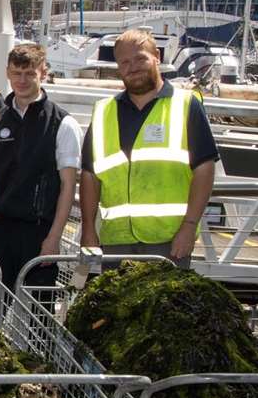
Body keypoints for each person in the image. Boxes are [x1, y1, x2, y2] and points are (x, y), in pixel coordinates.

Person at [79, 29, 220, 266]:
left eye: (140, 58)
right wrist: (89, 230)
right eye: (124, 62)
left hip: (169, 241)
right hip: (116, 240)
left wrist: (189, 225)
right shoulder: (104, 111)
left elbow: (204, 169)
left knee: (165, 303)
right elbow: (90, 176)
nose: (132, 67)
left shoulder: (186, 105)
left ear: (157, 56)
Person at [0, 42, 84, 291]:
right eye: (16, 73)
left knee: (36, 319)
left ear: (43, 73)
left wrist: (54, 238)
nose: (22, 80)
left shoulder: (63, 124)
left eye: (30, 73)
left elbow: (67, 185)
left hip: (39, 232)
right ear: (8, 73)